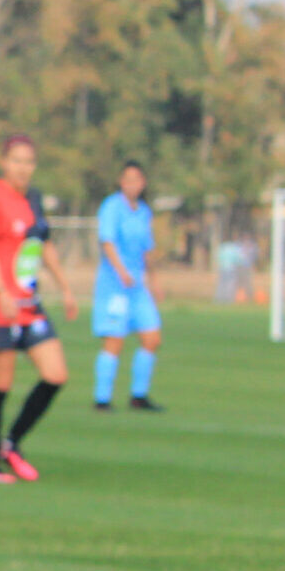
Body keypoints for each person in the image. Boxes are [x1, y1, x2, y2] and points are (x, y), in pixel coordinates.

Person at [0, 135, 76, 481]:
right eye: (16, 160)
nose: (23, 168)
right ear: (3, 161)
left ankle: (11, 443)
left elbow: (42, 245)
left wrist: (65, 287)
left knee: (56, 375)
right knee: (0, 384)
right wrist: (0, 291)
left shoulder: (33, 199)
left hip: (30, 305)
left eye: (29, 161)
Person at [93, 160, 164, 411]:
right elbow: (107, 242)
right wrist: (121, 271)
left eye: (137, 179)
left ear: (143, 183)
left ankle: (138, 395)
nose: (132, 184)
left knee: (152, 337)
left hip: (137, 286)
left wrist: (154, 282)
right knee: (115, 341)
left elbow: (148, 250)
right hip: (114, 286)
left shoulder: (143, 211)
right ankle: (102, 399)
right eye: (128, 179)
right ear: (121, 182)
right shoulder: (111, 207)